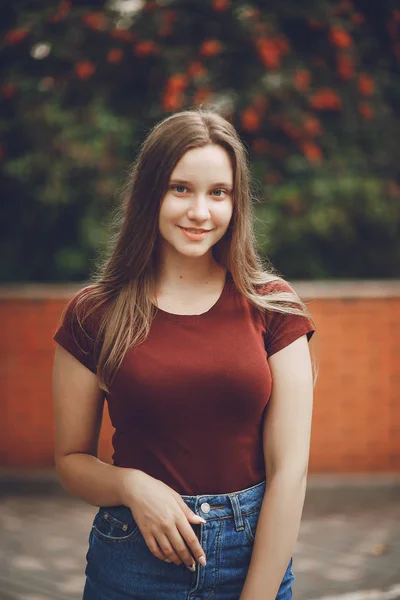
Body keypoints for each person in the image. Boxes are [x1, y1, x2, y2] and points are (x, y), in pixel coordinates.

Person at [52, 107, 317, 600]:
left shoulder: (274, 306)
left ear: (236, 203)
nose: (201, 211)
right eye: (181, 189)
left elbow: (290, 470)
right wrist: (131, 486)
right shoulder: (94, 314)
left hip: (254, 556)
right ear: (150, 193)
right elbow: (70, 460)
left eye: (218, 193)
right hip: (134, 561)